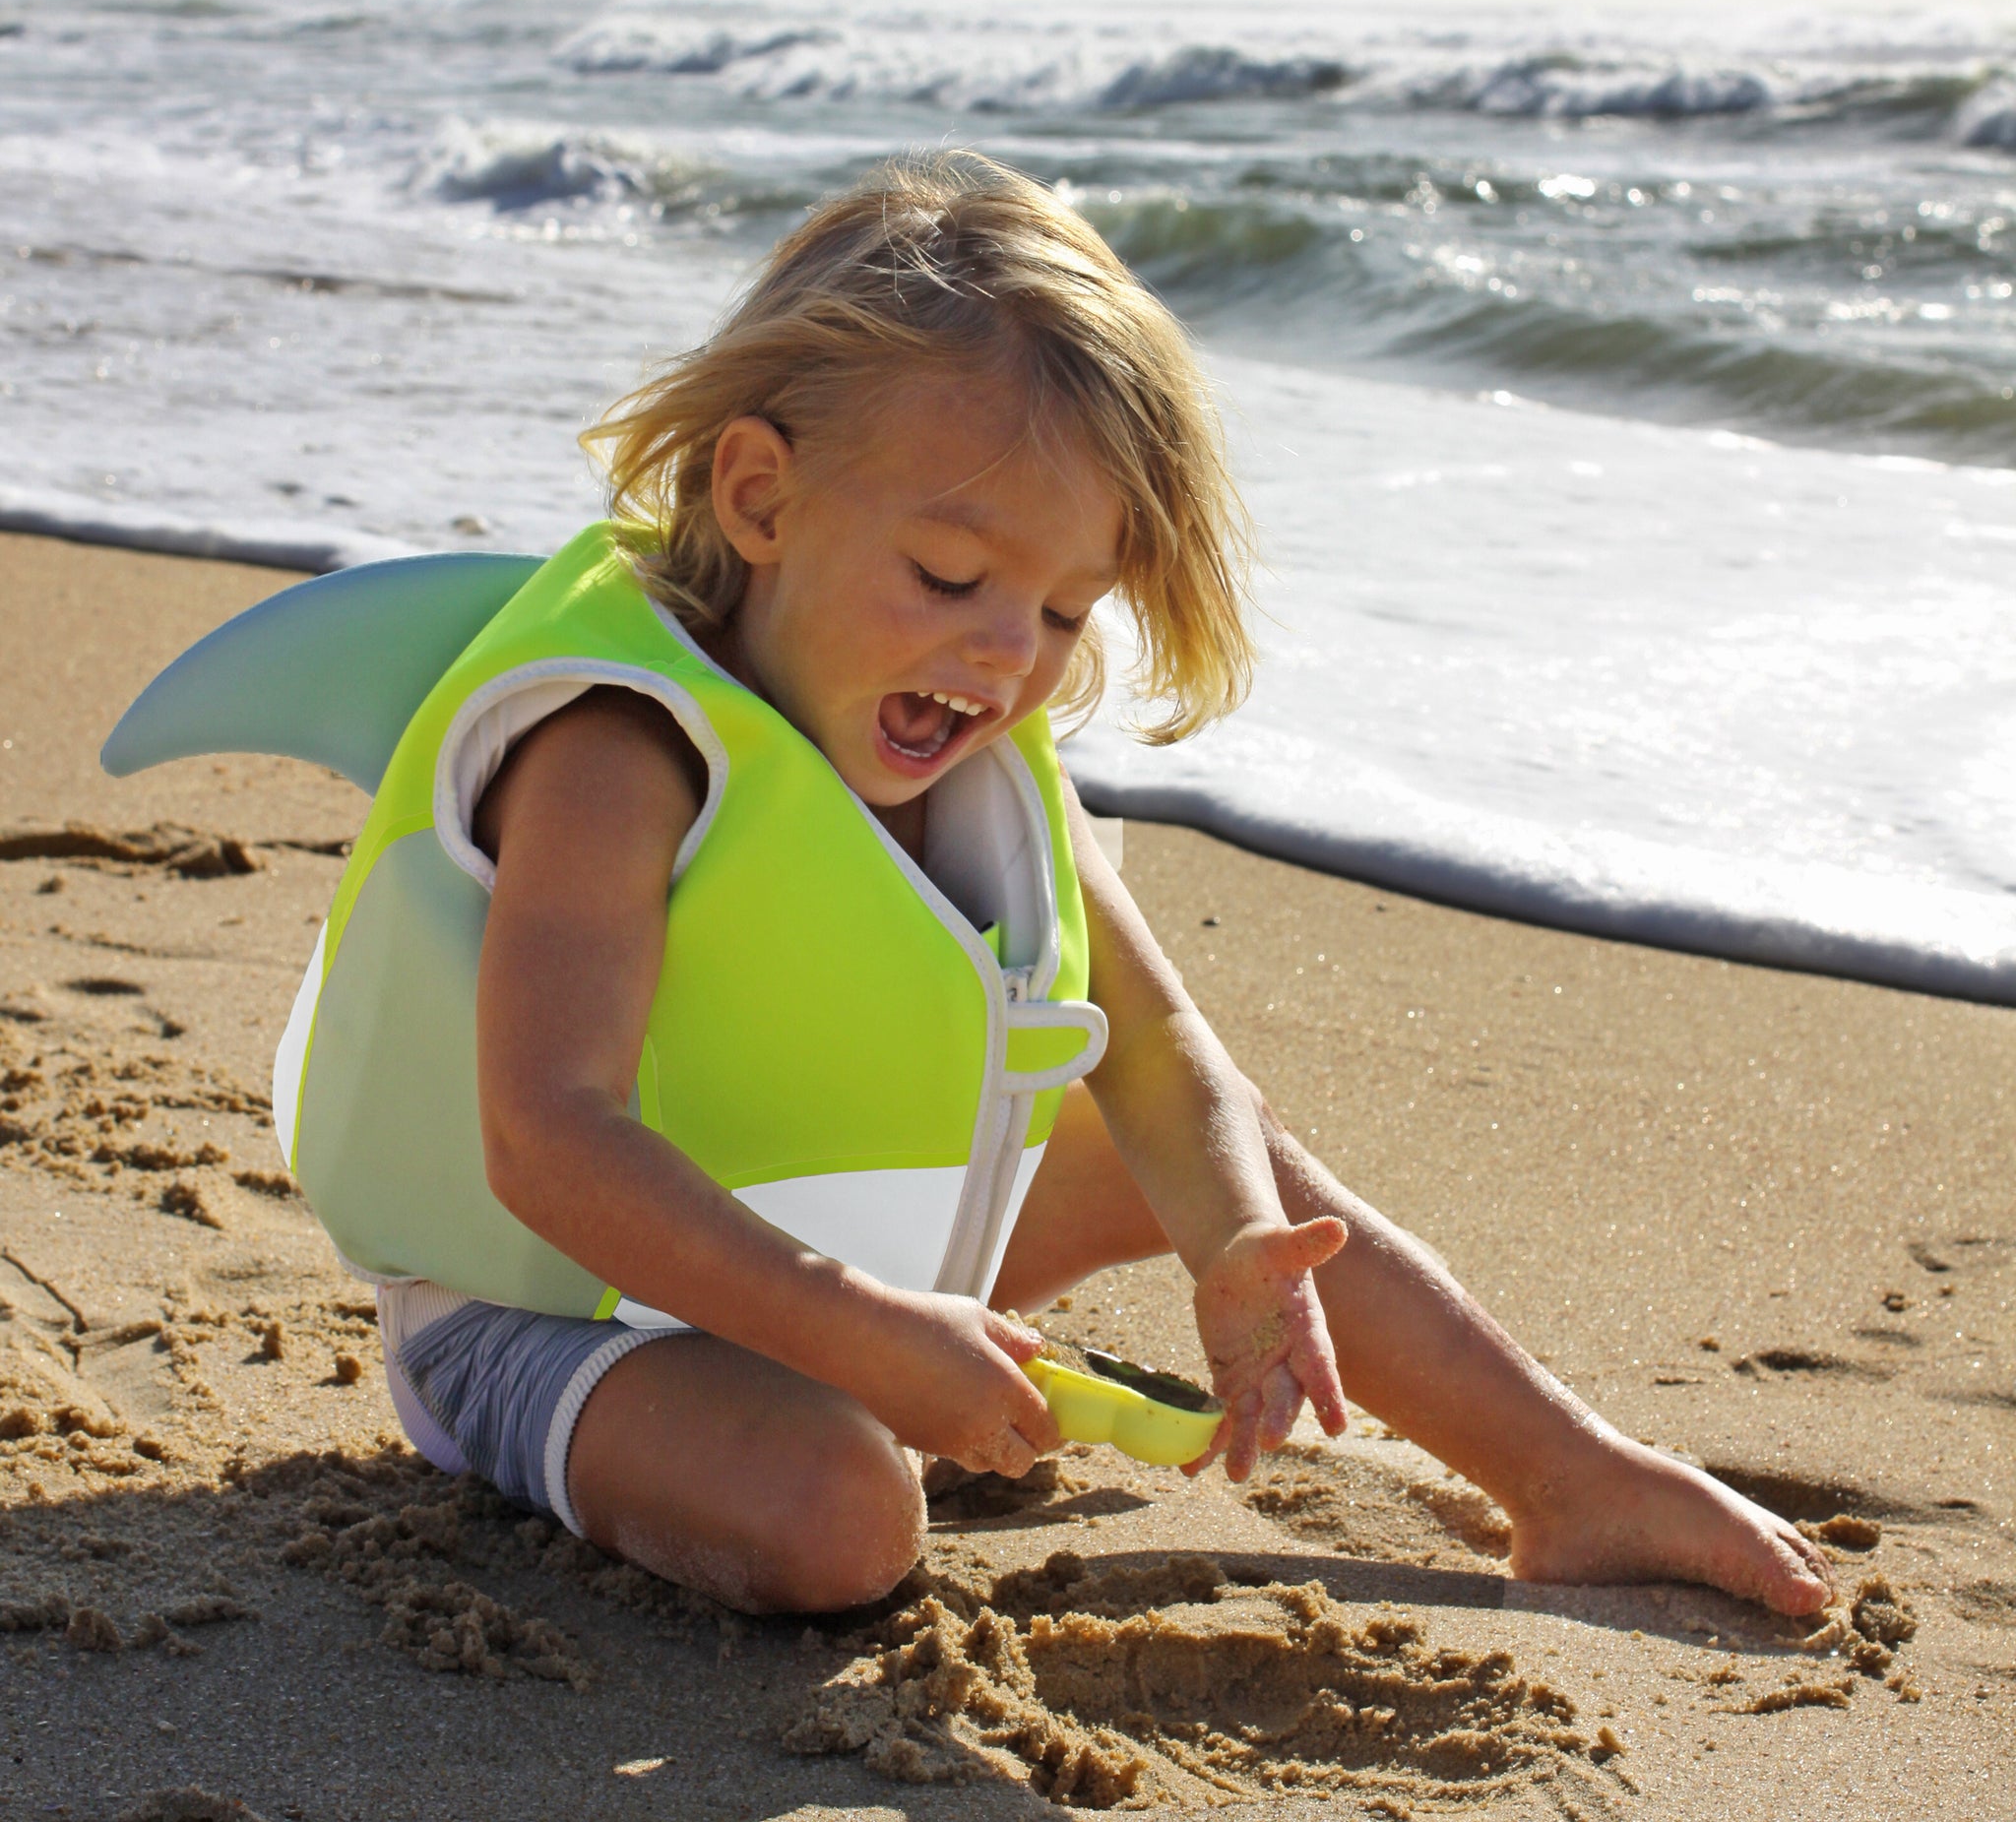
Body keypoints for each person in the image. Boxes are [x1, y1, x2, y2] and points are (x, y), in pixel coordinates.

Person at [334, 150, 1832, 1620]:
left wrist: (1239, 1240)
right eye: (948, 577)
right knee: (843, 1520)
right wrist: (861, 1336)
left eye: (1061, 610)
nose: (1005, 658)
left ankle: (1569, 1476)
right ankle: (562, 1421)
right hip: (557, 1310)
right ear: (761, 498)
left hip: (853, 1266)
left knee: (1213, 1177)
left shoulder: (977, 752)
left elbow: (1173, 1062)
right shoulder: (619, 749)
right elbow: (548, 1142)